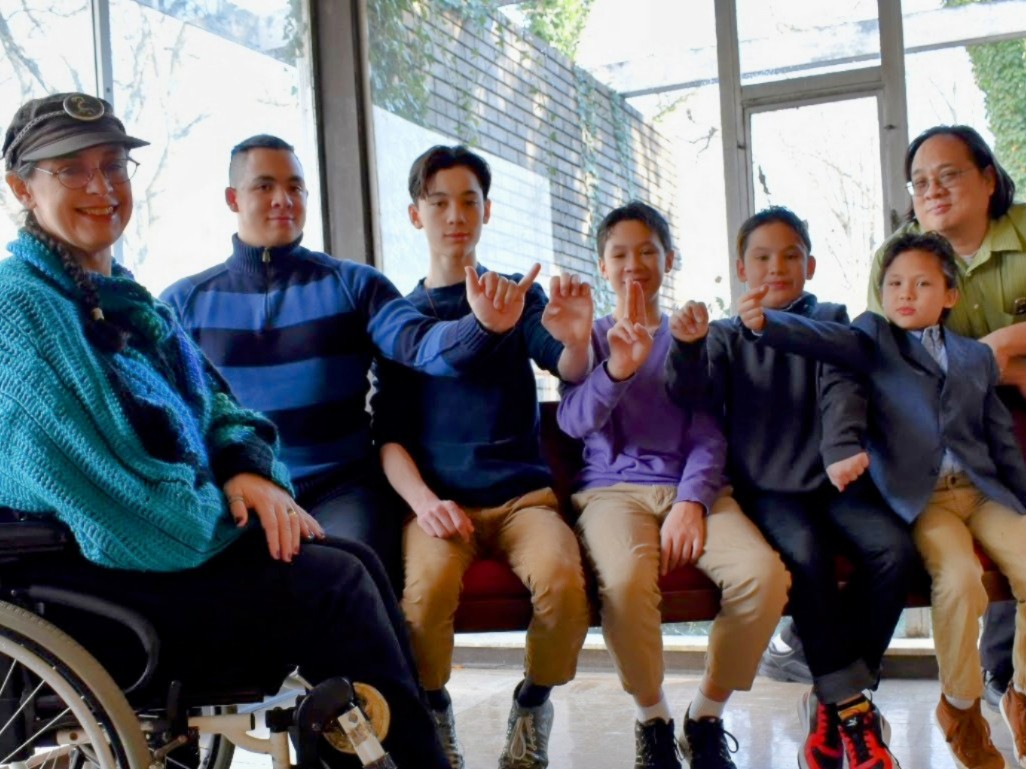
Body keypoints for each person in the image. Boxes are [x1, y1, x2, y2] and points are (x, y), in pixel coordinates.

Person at [0, 92, 458, 767]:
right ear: (22, 187)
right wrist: (242, 514)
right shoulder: (26, 312)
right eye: (71, 170)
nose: (101, 186)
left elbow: (222, 407)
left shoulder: (124, 298)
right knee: (334, 585)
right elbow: (123, 508)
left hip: (147, 561)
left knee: (351, 561)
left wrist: (247, 470)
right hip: (95, 590)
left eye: (113, 165)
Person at [161, 135, 537, 589]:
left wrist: (483, 327)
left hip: (340, 489)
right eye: (264, 186)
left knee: (353, 581)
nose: (284, 199)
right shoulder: (183, 303)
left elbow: (422, 346)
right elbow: (166, 411)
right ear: (232, 198)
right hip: (238, 489)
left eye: (296, 187)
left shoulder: (354, 284)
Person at [739, 230, 1026, 769]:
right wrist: (767, 324)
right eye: (894, 283)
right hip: (924, 499)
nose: (905, 293)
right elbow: (826, 343)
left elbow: (999, 438)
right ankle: (952, 708)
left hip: (982, 492)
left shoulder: (973, 357)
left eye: (921, 283)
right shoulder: (872, 334)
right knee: (959, 578)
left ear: (950, 295)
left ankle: (1023, 697)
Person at [667, 207, 915, 769]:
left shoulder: (831, 317)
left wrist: (838, 451)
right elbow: (692, 395)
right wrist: (685, 346)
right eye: (761, 256)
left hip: (837, 479)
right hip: (769, 489)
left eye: (789, 255)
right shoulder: (725, 335)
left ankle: (832, 695)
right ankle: (851, 710)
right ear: (740, 268)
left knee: (893, 551)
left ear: (811, 264)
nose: (776, 267)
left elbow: (844, 378)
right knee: (805, 557)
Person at [371, 145, 592, 769]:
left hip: (523, 497)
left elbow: (569, 367)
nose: (455, 215)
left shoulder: (517, 296)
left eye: (469, 200)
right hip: (438, 503)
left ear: (487, 210)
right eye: (438, 202)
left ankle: (533, 703)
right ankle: (434, 708)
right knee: (423, 598)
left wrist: (577, 341)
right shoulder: (402, 318)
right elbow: (386, 437)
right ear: (417, 215)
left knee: (562, 582)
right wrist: (424, 502)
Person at [558, 201, 790, 769]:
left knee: (764, 578)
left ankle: (705, 716)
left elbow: (710, 432)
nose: (633, 264)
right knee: (625, 583)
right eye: (619, 254)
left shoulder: (694, 335)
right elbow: (573, 422)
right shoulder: (589, 338)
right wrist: (616, 370)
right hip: (611, 493)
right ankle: (654, 719)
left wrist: (692, 500)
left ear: (670, 260)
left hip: (695, 489)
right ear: (602, 265)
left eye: (647, 251)